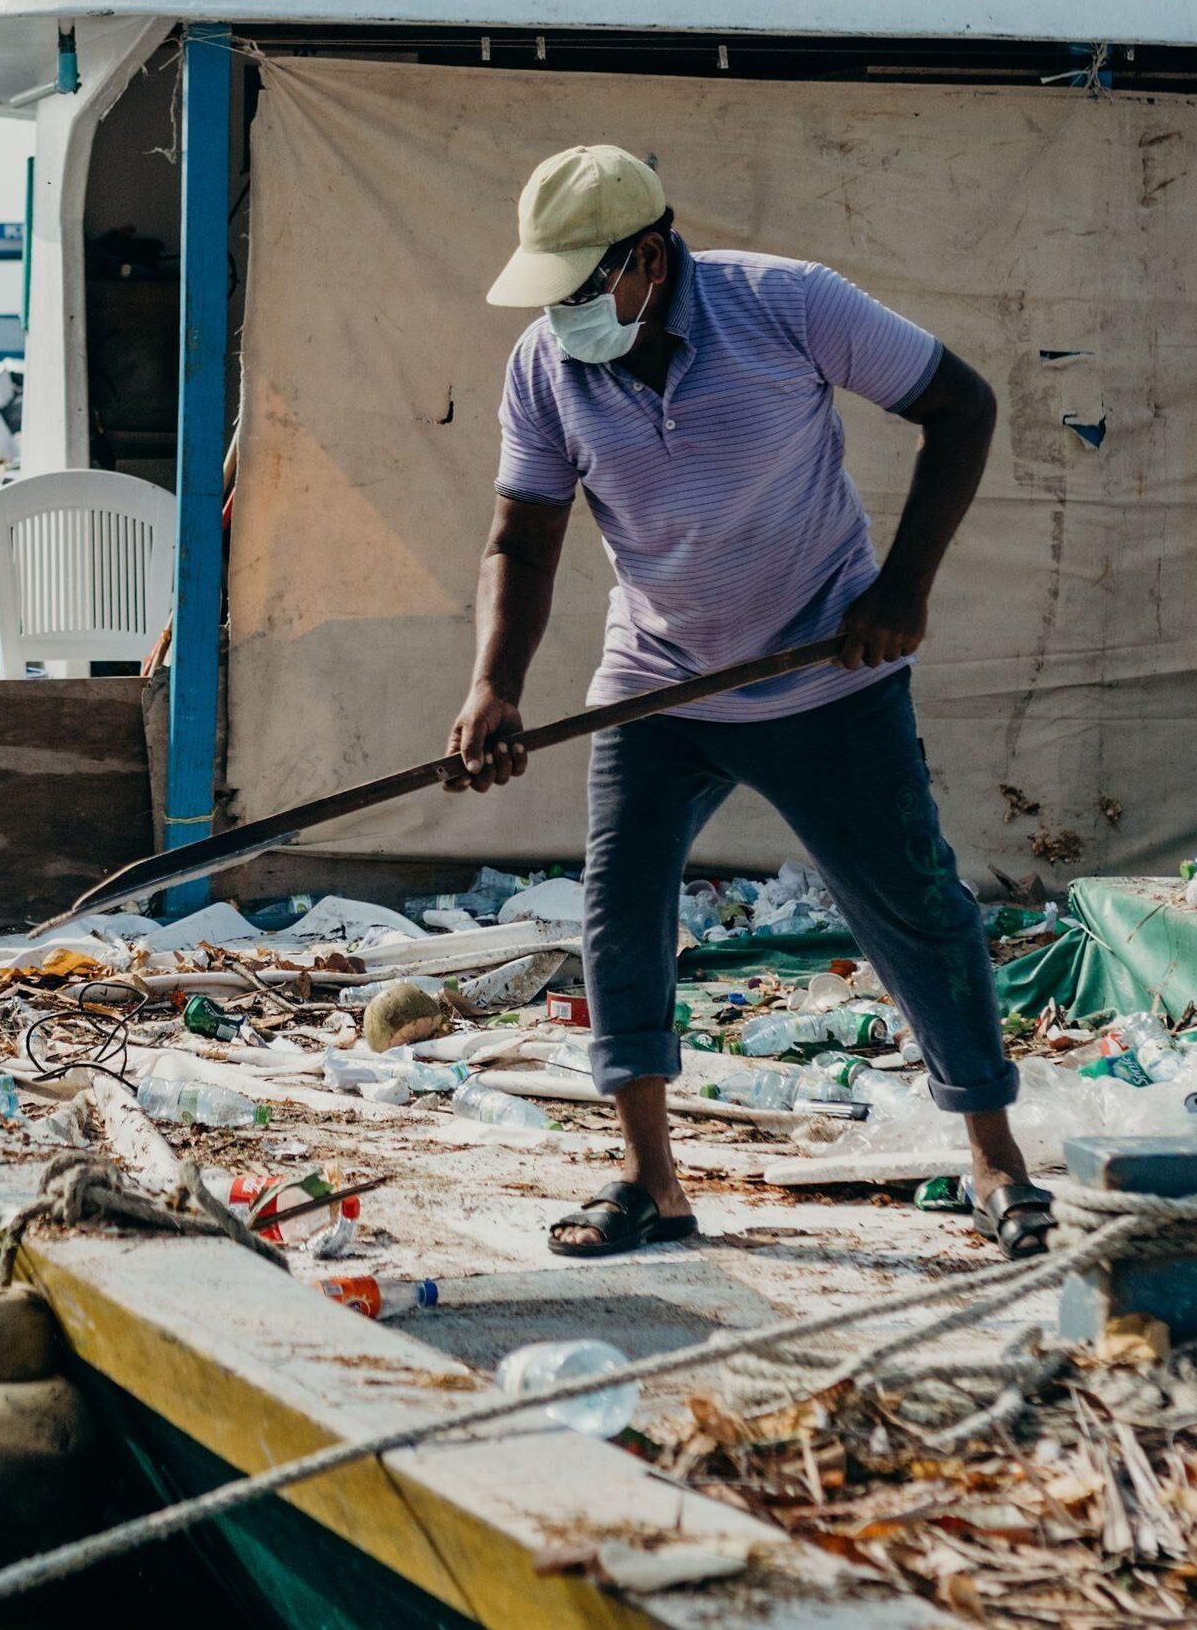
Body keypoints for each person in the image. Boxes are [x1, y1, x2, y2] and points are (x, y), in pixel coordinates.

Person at [444, 146, 1044, 1257]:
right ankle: (649, 1183)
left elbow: (962, 407)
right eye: (552, 291)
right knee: (618, 911)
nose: (564, 313)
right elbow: (520, 541)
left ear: (649, 258)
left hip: (825, 670)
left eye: (584, 287)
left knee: (912, 905)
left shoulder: (786, 305)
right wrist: (493, 685)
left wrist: (901, 585)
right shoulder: (544, 370)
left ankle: (995, 1164)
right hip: (657, 681)